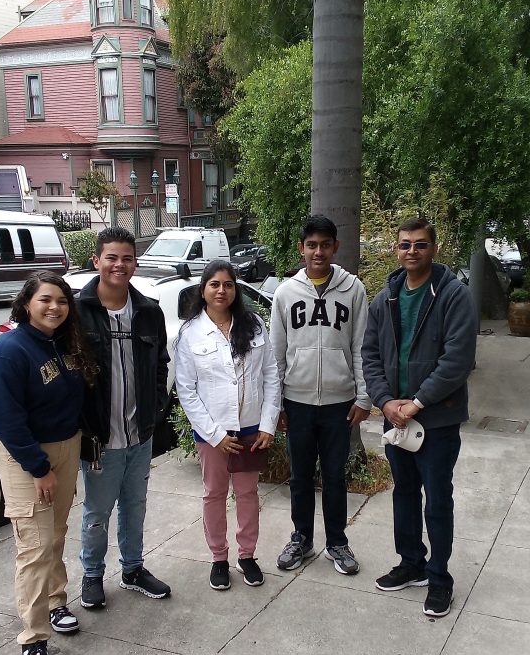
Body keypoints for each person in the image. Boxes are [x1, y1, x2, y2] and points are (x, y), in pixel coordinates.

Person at [362, 216, 477, 617]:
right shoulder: (386, 298)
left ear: (434, 247)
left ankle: (439, 577)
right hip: (395, 417)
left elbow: (457, 361)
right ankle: (411, 563)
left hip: (437, 419)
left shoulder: (453, 295)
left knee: (437, 499)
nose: (412, 251)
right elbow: (370, 355)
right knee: (405, 493)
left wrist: (418, 403)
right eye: (405, 245)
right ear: (397, 249)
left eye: (420, 244)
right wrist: (385, 400)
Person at [0, 272, 95, 655]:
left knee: (57, 533)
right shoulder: (7, 352)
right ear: (26, 302)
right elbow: (8, 422)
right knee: (35, 545)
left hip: (65, 447)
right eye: (46, 299)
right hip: (26, 456)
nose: (55, 307)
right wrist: (39, 467)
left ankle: (55, 600)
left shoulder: (62, 344)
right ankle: (33, 641)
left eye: (62, 301)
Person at [269, 214, 371, 574]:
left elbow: (361, 347)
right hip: (296, 402)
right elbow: (275, 356)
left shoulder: (353, 289)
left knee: (334, 475)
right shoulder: (285, 294)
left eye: (325, 245)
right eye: (311, 245)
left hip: (338, 403)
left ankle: (337, 542)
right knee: (299, 476)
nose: (318, 251)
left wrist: (363, 397)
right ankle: (302, 538)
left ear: (335, 248)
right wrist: (275, 405)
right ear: (301, 249)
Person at [76, 226, 171, 608]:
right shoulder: (78, 312)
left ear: (135, 263)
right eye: (111, 257)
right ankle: (92, 575)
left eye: (127, 258)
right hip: (101, 439)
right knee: (97, 511)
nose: (120, 265)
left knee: (136, 505)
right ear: (97, 260)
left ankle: (133, 569)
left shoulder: (149, 312)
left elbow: (161, 363)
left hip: (140, 432)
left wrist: (156, 410)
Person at [174, 260, 280, 590]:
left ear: (235, 290)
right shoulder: (190, 332)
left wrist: (267, 425)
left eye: (228, 284)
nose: (222, 290)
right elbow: (186, 390)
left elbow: (272, 376)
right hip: (212, 433)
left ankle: (247, 555)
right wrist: (216, 435)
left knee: (248, 493)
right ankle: (219, 558)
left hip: (251, 428)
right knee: (214, 494)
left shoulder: (255, 326)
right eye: (214, 284)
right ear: (203, 290)